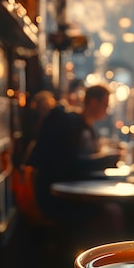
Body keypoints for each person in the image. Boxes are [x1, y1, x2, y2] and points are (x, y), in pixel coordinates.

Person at [30, 83, 121, 221]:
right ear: (92, 102)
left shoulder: (84, 127)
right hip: (58, 199)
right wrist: (108, 160)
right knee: (113, 212)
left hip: (66, 192)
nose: (107, 110)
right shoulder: (69, 123)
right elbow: (71, 165)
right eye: (105, 104)